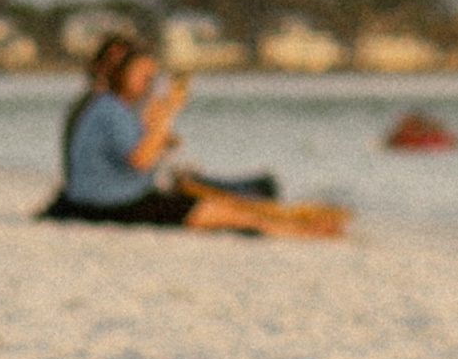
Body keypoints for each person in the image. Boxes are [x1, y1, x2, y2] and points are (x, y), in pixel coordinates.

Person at [42, 37, 350, 238]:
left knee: (212, 202)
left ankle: (285, 222)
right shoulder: (108, 108)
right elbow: (140, 158)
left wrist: (158, 124)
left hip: (99, 198)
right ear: (122, 73)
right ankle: (294, 229)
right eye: (144, 77)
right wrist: (166, 114)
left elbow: (137, 150)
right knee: (213, 211)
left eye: (152, 78)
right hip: (110, 203)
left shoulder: (107, 106)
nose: (150, 84)